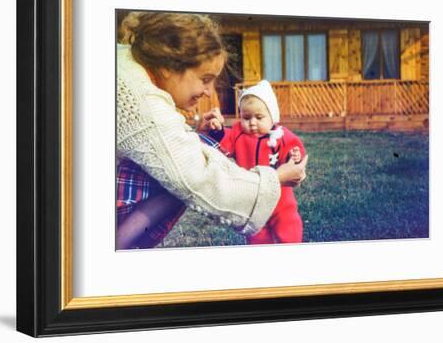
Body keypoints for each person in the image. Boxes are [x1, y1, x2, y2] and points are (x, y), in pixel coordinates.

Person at [116, 12, 308, 249]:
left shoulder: (128, 67)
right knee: (181, 177)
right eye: (205, 79)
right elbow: (197, 177)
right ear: (169, 67)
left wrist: (195, 133)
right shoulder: (142, 100)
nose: (209, 92)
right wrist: (276, 179)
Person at [203, 80, 306, 244]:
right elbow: (226, 142)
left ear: (273, 117)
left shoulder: (281, 136)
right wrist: (218, 131)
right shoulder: (238, 134)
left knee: (289, 229)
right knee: (257, 235)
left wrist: (294, 156)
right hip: (253, 199)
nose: (252, 123)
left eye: (259, 117)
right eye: (246, 117)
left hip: (281, 198)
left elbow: (294, 150)